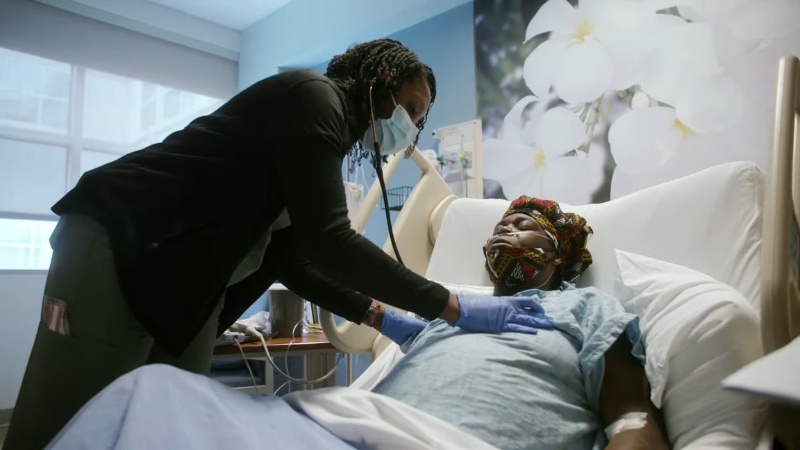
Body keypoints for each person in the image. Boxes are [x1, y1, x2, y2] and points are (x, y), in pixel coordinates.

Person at [5, 40, 544, 450]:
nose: (413, 126)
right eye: (410, 107)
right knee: (68, 416)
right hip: (116, 240)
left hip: (184, 276)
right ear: (379, 80)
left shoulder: (323, 140)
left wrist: (380, 317)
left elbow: (293, 257)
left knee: (170, 416)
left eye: (420, 121)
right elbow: (328, 241)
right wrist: (453, 306)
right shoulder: (314, 100)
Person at [373, 196, 672, 450]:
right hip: (362, 428)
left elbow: (632, 418)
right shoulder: (452, 311)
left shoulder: (585, 305)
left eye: (522, 225)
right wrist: (375, 314)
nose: (506, 229)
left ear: (557, 257)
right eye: (500, 227)